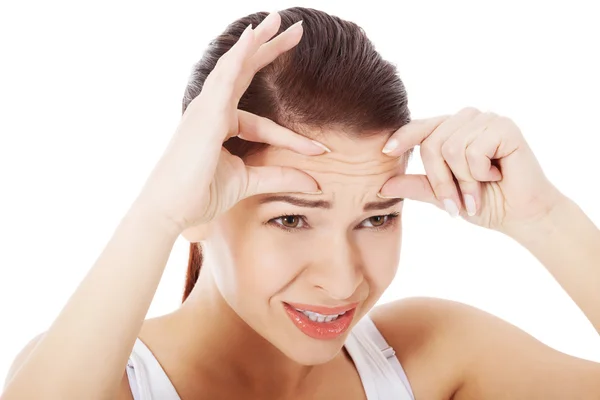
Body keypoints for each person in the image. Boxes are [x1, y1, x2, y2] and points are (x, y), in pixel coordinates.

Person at [3, 6, 600, 400]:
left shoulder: (430, 355)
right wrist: (156, 216)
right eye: (290, 218)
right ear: (200, 206)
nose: (342, 279)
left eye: (377, 217)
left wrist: (544, 219)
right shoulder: (108, 379)